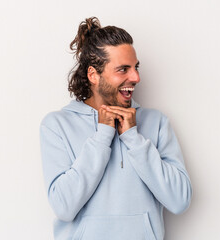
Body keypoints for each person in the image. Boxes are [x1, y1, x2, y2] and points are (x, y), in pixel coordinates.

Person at [40, 17, 192, 240]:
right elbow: (63, 206)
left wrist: (134, 138)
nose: (136, 77)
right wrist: (102, 136)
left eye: (135, 67)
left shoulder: (156, 122)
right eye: (123, 69)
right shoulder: (57, 125)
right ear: (93, 75)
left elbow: (179, 201)